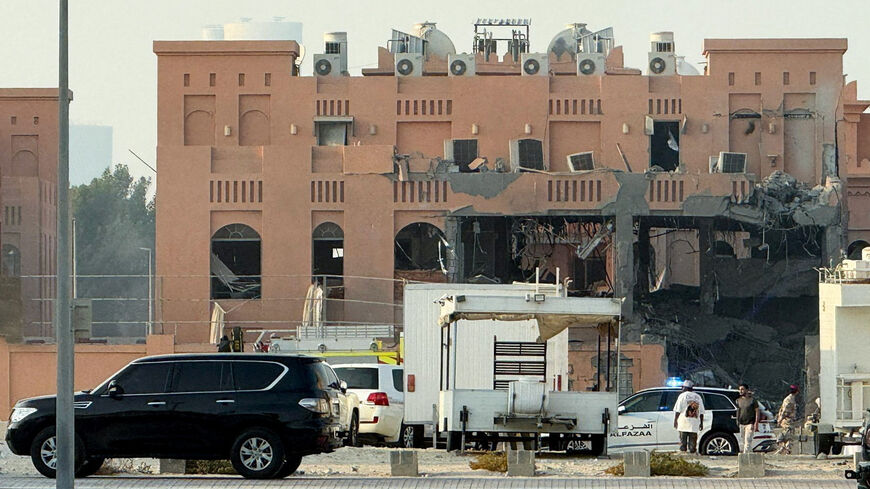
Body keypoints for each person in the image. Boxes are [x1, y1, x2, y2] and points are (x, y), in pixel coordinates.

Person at [673, 380, 705, 454]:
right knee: (692, 446)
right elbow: (702, 412)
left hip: (683, 424)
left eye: (683, 387)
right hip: (694, 424)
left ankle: (684, 459)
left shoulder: (682, 396)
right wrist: (701, 423)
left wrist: (675, 421)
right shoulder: (698, 397)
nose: (682, 389)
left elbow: (678, 410)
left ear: (685, 388)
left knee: (683, 444)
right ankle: (693, 459)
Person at [775, 384, 799, 455]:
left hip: (789, 419)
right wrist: (780, 419)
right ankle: (782, 444)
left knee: (789, 436)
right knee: (787, 434)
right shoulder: (789, 399)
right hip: (787, 420)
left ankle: (785, 449)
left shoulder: (791, 398)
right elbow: (785, 411)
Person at [736, 383, 760, 454]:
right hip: (741, 423)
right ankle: (751, 456)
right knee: (744, 442)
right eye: (740, 389)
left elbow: (757, 411)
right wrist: (737, 420)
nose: (741, 391)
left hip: (750, 423)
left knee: (748, 441)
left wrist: (756, 423)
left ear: (747, 390)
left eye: (742, 389)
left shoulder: (752, 400)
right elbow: (738, 411)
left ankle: (744, 457)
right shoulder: (738, 400)